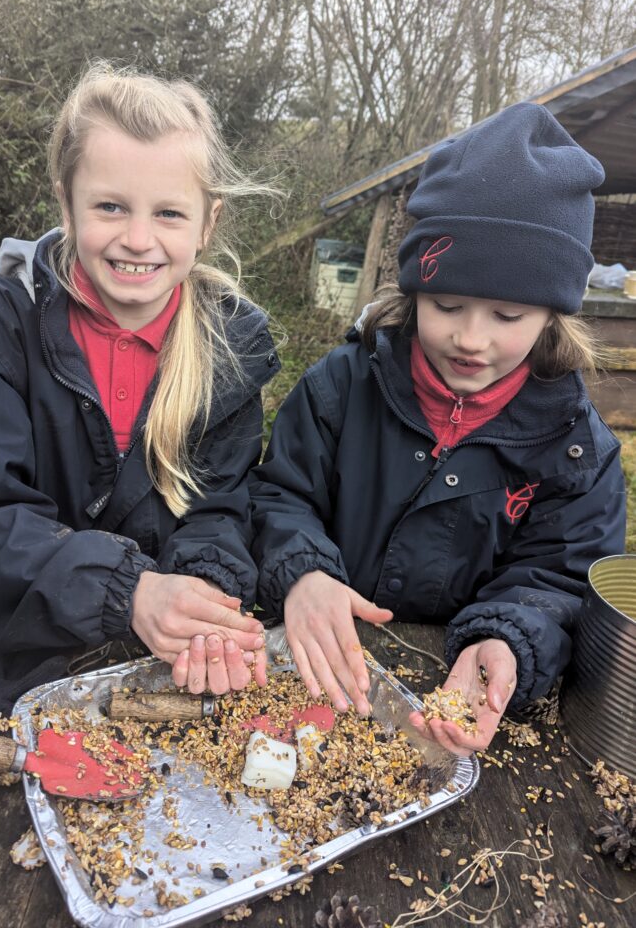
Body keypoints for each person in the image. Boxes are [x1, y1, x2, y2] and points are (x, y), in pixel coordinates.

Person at [0, 63, 280, 805]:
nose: (138, 240)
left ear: (206, 222)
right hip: (11, 658)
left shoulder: (232, 345)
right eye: (110, 206)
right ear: (67, 204)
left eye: (169, 214)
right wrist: (128, 589)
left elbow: (218, 507)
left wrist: (205, 601)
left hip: (155, 670)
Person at [249, 102, 626, 757]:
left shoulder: (575, 452)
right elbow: (277, 496)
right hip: (310, 667)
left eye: (507, 314)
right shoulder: (339, 388)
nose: (470, 339)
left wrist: (507, 635)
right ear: (412, 291)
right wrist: (301, 572)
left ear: (551, 316)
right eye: (446, 305)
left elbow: (559, 580)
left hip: (450, 695)